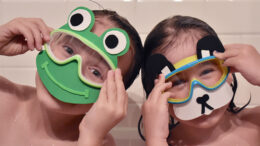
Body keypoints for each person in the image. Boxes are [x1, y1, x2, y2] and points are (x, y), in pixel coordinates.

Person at [0, 7, 143, 146]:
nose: (72, 70)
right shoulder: (4, 95)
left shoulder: (98, 141)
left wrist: (91, 136)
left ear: (113, 94)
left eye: (96, 72)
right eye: (68, 50)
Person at [141, 15, 260, 146]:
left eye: (206, 71)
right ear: (157, 95)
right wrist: (155, 139)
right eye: (178, 82)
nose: (198, 92)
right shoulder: (162, 142)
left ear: (228, 72)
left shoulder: (256, 121)